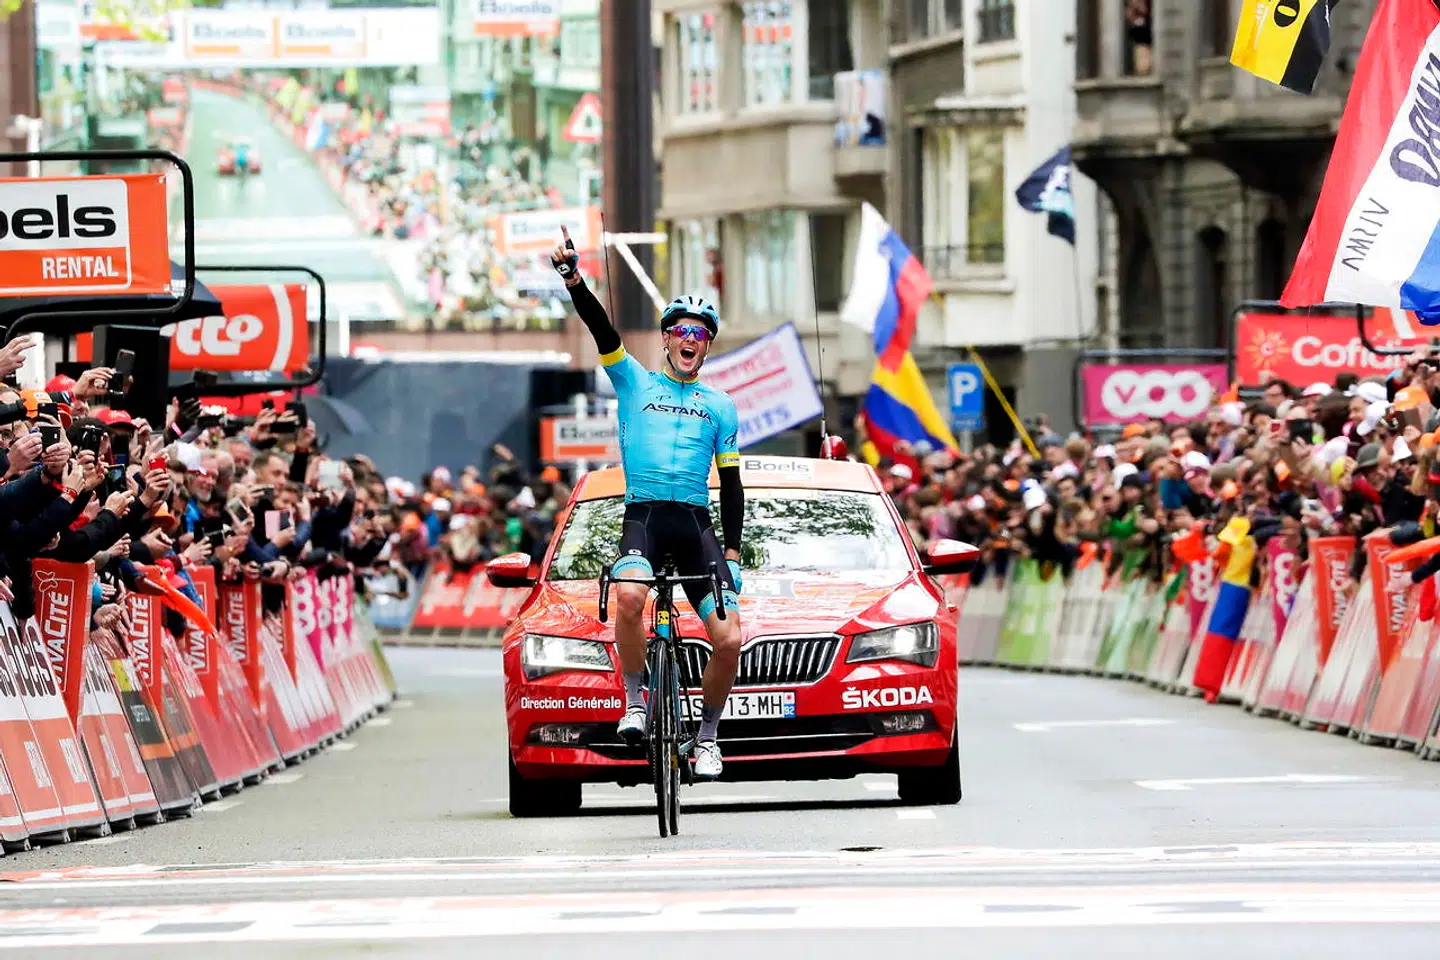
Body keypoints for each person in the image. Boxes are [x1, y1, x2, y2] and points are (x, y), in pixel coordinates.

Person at [550, 225, 743, 780]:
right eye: (681, 330)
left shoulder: (721, 406)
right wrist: (573, 278)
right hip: (645, 518)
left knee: (729, 637)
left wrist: (732, 552)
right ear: (665, 339)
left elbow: (731, 485)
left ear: (707, 346)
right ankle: (636, 703)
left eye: (701, 334)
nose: (690, 339)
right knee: (631, 597)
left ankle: (706, 739)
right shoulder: (633, 383)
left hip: (697, 527)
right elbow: (601, 327)